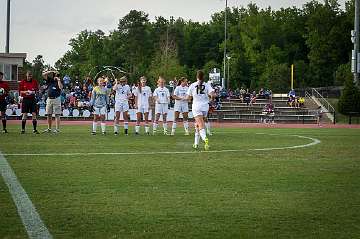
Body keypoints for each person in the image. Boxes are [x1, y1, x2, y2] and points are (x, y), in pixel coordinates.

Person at [187, 70, 215, 150]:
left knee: (200, 125)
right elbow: (212, 95)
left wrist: (189, 99)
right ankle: (196, 144)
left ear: (197, 76)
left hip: (196, 107)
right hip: (205, 107)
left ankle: (205, 139)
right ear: (203, 77)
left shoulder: (193, 85)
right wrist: (211, 100)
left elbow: (188, 98)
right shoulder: (207, 85)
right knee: (198, 124)